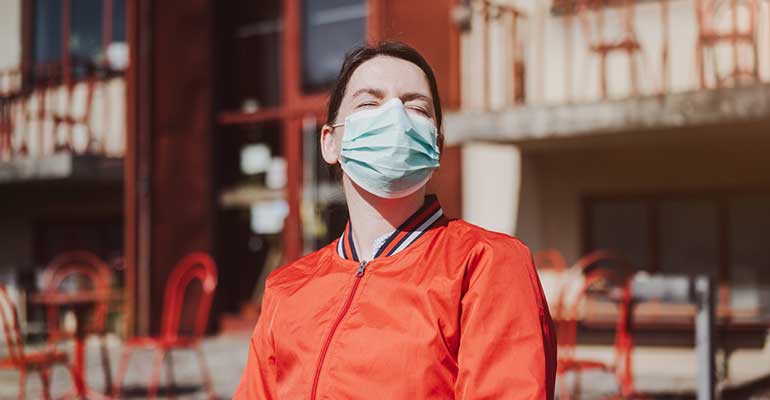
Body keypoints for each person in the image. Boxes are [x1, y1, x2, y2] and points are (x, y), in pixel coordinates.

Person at [234, 41, 556, 399]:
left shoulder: (485, 264)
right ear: (330, 142)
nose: (395, 118)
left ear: (436, 143)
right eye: (369, 103)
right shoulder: (287, 288)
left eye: (416, 107)